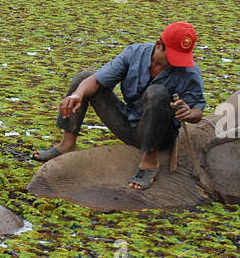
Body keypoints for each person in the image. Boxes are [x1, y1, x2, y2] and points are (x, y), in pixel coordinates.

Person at [34, 22, 206, 190]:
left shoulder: (189, 71)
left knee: (157, 92)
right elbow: (96, 80)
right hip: (129, 122)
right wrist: (77, 95)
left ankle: (150, 161)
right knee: (83, 79)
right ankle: (66, 144)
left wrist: (190, 113)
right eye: (173, 56)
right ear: (159, 45)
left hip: (161, 134)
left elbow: (198, 111)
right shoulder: (134, 53)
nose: (177, 62)